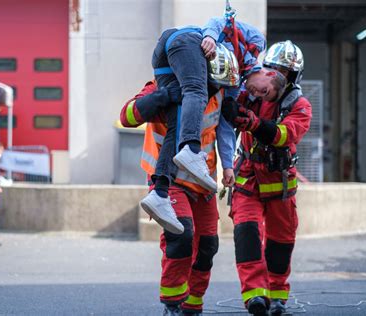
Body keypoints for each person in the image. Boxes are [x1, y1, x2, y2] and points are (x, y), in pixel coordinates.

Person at [140, 11, 267, 235]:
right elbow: (223, 22)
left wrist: (227, 165)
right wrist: (209, 36)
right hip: (184, 40)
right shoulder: (255, 43)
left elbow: (226, 128)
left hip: (166, 63)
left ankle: (159, 193)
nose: (257, 93)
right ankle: (191, 148)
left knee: (177, 124)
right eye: (262, 90)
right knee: (195, 91)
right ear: (265, 73)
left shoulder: (234, 85)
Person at [122, 80, 235, 315]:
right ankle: (172, 305)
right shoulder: (161, 85)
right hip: (168, 180)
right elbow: (127, 117)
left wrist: (228, 165)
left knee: (207, 246)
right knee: (181, 236)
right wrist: (162, 96)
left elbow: (222, 130)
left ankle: (192, 305)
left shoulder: (218, 94)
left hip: (203, 184)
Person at [220, 40, 311, 316]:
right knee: (246, 236)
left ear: (293, 78)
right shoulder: (250, 95)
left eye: (283, 73)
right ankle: (255, 296)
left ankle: (278, 296)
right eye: (271, 71)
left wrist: (254, 124)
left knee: (280, 243)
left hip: (280, 185)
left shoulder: (300, 106)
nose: (275, 78)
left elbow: (283, 135)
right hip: (247, 179)